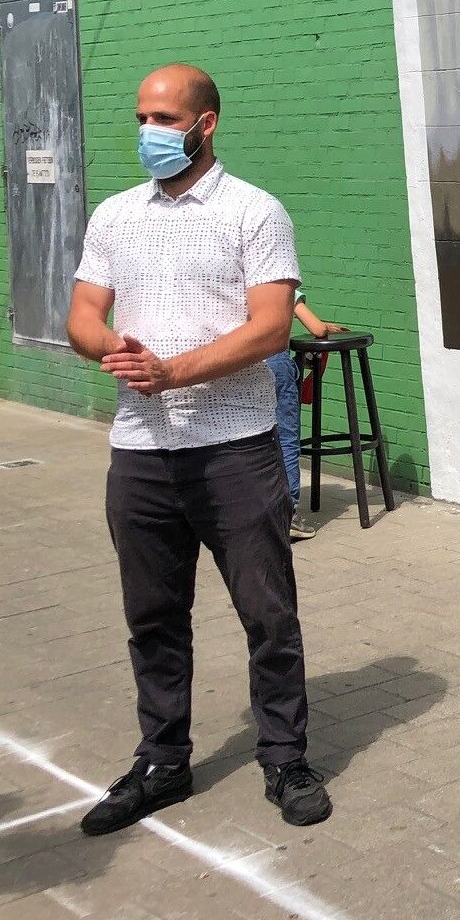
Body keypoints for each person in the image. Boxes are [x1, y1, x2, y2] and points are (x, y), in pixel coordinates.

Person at [66, 65, 331, 835]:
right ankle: (162, 761)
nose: (148, 132)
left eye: (164, 118)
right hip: (141, 455)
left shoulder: (254, 212)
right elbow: (82, 313)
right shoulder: (115, 215)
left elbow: (270, 328)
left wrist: (172, 372)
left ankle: (284, 757)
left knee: (268, 615)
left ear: (205, 124)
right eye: (141, 118)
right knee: (152, 617)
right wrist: (112, 348)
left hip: (234, 453)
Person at [267, 291, 344, 541]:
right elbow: (316, 329)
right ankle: (289, 515)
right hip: (275, 365)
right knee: (287, 441)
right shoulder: (282, 287)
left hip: (242, 368)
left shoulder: (236, 289)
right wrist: (324, 326)